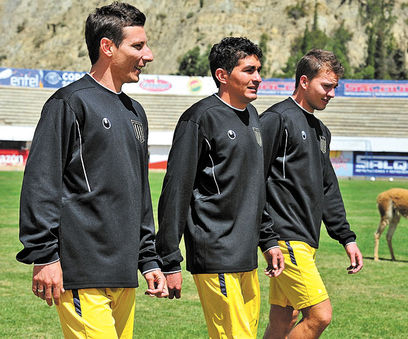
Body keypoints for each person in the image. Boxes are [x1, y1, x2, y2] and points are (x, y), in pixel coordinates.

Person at [16, 2, 168, 338]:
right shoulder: (69, 103)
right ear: (108, 47)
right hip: (83, 269)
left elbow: (139, 191)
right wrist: (44, 257)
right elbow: (42, 182)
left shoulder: (135, 112)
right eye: (138, 46)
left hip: (123, 271)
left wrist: (149, 258)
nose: (149, 55)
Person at [156, 37, 284, 338]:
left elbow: (253, 186)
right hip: (216, 253)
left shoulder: (253, 117)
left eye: (259, 70)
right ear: (223, 75)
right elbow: (176, 190)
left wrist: (268, 239)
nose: (258, 78)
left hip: (246, 255)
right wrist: (170, 259)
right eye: (249, 70)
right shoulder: (199, 118)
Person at [259, 49, 363, 339]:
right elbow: (255, 178)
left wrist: (346, 237)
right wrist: (267, 236)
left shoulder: (320, 131)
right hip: (285, 237)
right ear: (304, 81)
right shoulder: (276, 119)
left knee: (284, 318)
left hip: (307, 237)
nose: (331, 94)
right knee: (319, 315)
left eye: (335, 88)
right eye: (326, 86)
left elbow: (327, 186)